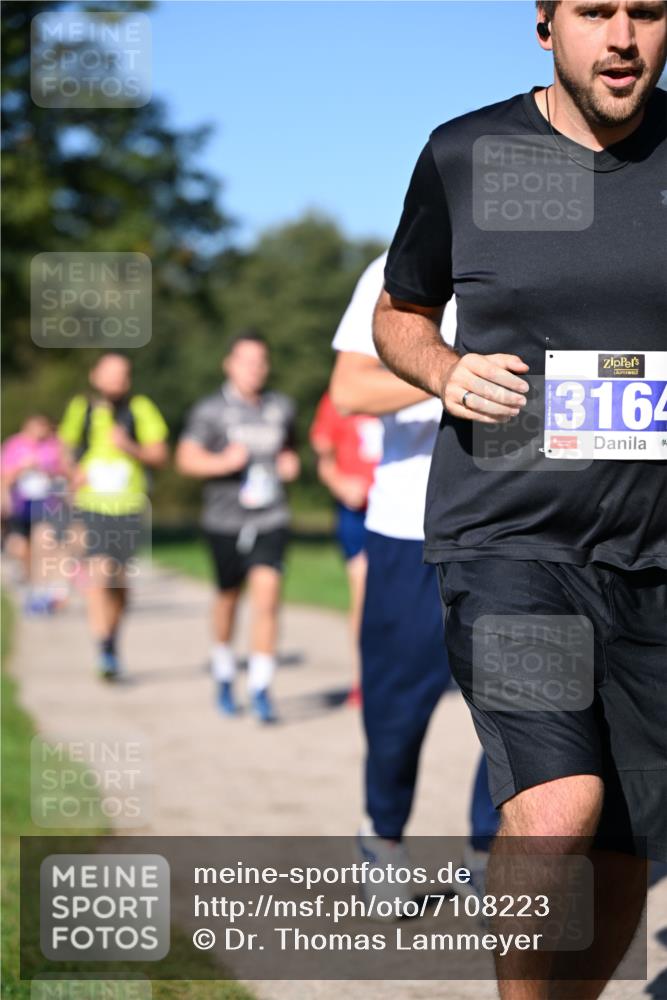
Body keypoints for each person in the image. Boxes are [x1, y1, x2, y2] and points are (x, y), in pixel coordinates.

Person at [373, 1, 666, 994]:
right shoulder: (470, 154)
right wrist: (445, 371)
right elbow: (400, 311)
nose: (622, 36)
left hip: (655, 557)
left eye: (650, 12)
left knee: (628, 843)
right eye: (595, 11)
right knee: (560, 808)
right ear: (546, 28)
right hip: (510, 541)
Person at [330, 253, 498, 907]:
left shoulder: (559, 262)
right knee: (398, 709)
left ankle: (490, 850)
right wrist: (451, 370)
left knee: (526, 705)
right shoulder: (395, 267)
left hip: (519, 525)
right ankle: (384, 834)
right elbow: (349, 390)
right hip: (411, 526)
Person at [176, 329, 300, 724]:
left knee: (267, 597)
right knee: (228, 598)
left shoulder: (281, 406)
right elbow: (185, 459)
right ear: (229, 364)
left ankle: (262, 686)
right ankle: (226, 671)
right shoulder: (210, 410)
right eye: (246, 361)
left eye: (261, 361)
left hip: (270, 517)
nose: (255, 369)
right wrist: (221, 463)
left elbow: (289, 449)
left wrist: (289, 463)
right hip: (224, 520)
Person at [59, 354, 169, 678]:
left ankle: (111, 638)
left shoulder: (141, 408)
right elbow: (63, 449)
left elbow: (160, 455)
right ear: (95, 376)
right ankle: (103, 644)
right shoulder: (81, 408)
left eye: (123, 375)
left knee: (119, 583)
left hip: (129, 505)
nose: (117, 381)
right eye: (110, 374)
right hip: (91, 503)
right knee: (98, 572)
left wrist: (129, 446)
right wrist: (72, 472)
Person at [309, 391, 382, 705]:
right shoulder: (343, 392)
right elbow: (323, 460)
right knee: (363, 591)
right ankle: (363, 678)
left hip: (401, 509)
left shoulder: (411, 382)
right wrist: (341, 484)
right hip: (358, 511)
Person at [1, 414, 68, 612]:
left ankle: (45, 589)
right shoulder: (14, 445)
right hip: (20, 504)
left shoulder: (54, 446)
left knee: (44, 544)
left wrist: (46, 470)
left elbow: (65, 472)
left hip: (47, 503)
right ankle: (29, 580)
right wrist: (22, 468)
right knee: (20, 548)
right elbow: (4, 476)